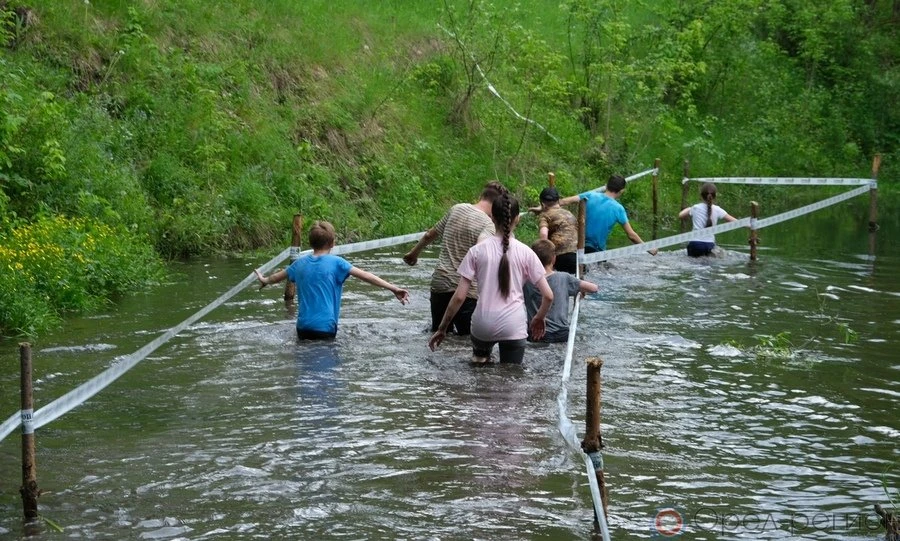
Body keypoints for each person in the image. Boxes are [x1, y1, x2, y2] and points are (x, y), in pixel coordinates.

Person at [428, 193, 553, 364]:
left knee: (479, 376)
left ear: (491, 217)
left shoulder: (476, 251)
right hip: (513, 324)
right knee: (511, 378)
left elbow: (458, 297)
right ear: (517, 219)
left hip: (483, 324)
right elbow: (548, 296)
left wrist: (442, 329)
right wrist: (539, 318)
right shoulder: (527, 253)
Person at [255, 221, 409, 340]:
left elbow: (276, 277)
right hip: (325, 327)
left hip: (302, 327)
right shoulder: (337, 263)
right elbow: (366, 276)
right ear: (333, 243)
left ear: (310, 243)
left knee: (305, 369)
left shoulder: (298, 264)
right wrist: (393, 288)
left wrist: (264, 279)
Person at [404, 181, 508, 335]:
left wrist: (413, 254)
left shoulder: (457, 209)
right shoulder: (488, 225)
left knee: (438, 335)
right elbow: (480, 252)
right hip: (466, 291)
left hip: (440, 283)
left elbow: (429, 234)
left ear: (481, 196)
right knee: (466, 340)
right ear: (498, 205)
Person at [557, 174, 657, 256]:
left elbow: (564, 201)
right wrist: (649, 248)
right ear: (622, 191)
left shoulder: (590, 195)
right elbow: (631, 236)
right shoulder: (618, 209)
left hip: (576, 246)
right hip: (596, 251)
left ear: (606, 185)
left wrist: (544, 206)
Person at [523, 239, 599, 343]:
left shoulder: (526, 280)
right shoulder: (564, 278)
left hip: (536, 334)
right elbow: (594, 288)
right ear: (554, 259)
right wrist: (580, 289)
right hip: (561, 334)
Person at [677, 182, 737, 257]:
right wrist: (750, 224)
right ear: (715, 196)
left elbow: (680, 215)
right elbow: (736, 222)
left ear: (701, 196)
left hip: (695, 244)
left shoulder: (695, 208)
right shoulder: (718, 209)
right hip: (710, 245)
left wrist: (689, 208)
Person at [534, 186, 579, 274]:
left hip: (558, 256)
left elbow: (543, 234)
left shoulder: (545, 215)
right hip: (575, 255)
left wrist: (542, 255)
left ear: (542, 204)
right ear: (558, 201)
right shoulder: (569, 214)